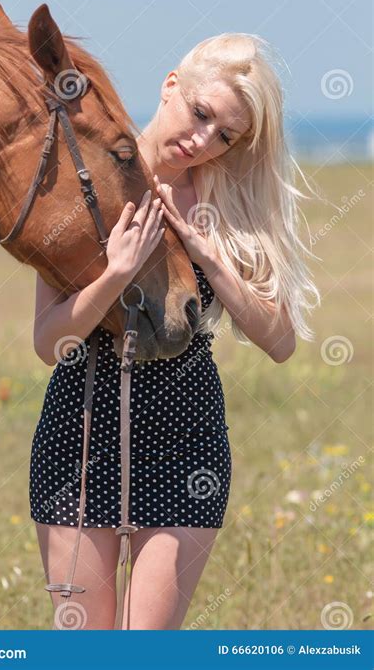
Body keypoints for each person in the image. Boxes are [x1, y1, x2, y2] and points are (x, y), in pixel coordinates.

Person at [30, 33, 320, 630]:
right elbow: (47, 342)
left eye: (226, 136)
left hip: (186, 441)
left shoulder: (229, 201)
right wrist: (116, 273)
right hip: (79, 434)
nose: (203, 141)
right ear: (170, 87)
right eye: (202, 114)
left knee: (146, 654)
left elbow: (281, 342)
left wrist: (211, 259)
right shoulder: (82, 182)